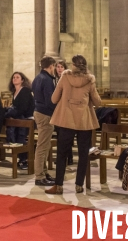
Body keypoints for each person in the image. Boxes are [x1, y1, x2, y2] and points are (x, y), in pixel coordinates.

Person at [45, 55, 102, 195]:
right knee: (83, 154)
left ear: (73, 65)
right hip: (84, 121)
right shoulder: (90, 79)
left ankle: (58, 185)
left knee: (62, 153)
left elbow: (53, 99)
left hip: (66, 120)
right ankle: (79, 185)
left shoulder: (65, 77)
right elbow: (97, 102)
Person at [32, 56, 58, 186]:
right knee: (42, 146)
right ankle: (39, 176)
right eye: (54, 66)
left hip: (38, 111)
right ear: (51, 66)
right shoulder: (47, 79)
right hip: (45, 114)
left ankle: (44, 172)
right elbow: (50, 100)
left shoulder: (37, 78)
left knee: (45, 145)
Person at [5, 72, 34, 170]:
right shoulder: (15, 92)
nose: (15, 79)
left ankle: (24, 160)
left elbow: (24, 108)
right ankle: (21, 159)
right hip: (19, 118)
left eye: (17, 77)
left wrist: (13, 115)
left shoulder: (25, 90)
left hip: (27, 119)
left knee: (21, 138)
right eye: (13, 77)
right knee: (16, 136)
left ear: (22, 80)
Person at [54, 59, 74, 165]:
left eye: (61, 67)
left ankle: (68, 158)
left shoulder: (68, 79)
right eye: (57, 67)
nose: (59, 69)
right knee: (60, 136)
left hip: (67, 110)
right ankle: (64, 158)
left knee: (66, 136)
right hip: (58, 111)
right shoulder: (55, 80)